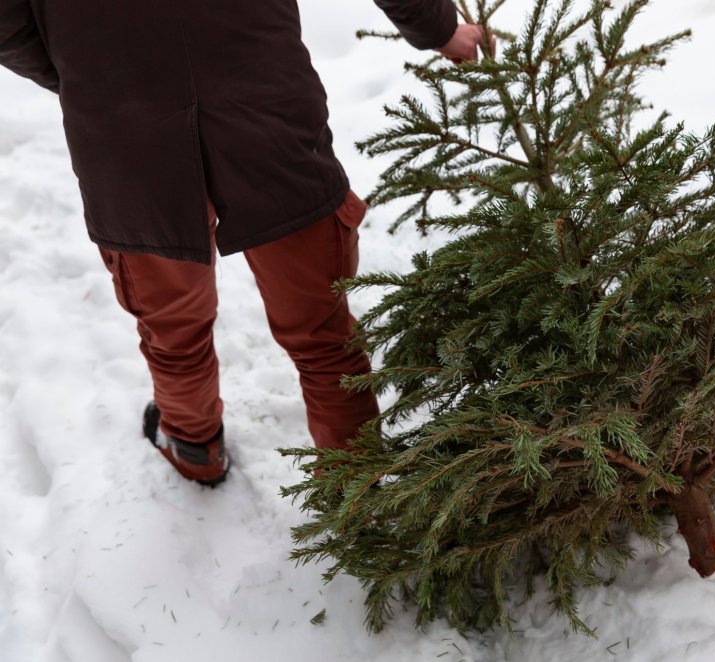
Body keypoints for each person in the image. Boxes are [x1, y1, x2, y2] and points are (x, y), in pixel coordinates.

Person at [0, 1, 491, 485]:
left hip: (128, 133)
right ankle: (353, 494)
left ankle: (194, 447)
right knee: (322, 333)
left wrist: (89, 71)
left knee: (174, 331)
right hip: (264, 106)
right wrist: (439, 28)